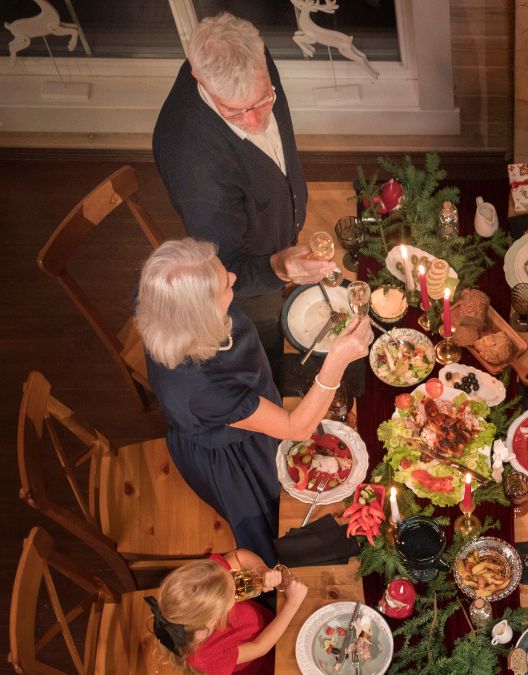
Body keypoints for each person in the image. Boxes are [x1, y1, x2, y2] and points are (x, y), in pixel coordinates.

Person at [135, 239, 371, 566]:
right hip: (234, 451)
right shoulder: (202, 388)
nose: (233, 278)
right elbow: (296, 428)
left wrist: (281, 267)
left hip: (246, 403)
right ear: (202, 316)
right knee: (277, 515)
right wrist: (337, 362)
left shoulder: (163, 291)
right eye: (224, 285)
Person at [153, 13, 331, 376]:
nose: (255, 123)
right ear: (199, 76)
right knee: (264, 345)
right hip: (248, 280)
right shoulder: (193, 163)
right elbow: (227, 266)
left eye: (263, 100)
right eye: (234, 112)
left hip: (275, 234)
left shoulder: (251, 60)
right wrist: (278, 268)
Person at [146, 547, 308, 674]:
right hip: (267, 661)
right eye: (233, 591)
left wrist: (261, 570)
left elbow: (238, 556)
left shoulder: (209, 579)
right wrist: (292, 604)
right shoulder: (205, 658)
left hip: (273, 620)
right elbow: (259, 647)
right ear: (213, 620)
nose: (236, 581)